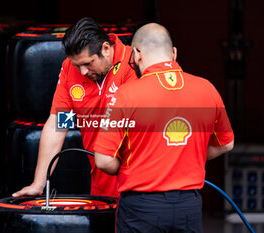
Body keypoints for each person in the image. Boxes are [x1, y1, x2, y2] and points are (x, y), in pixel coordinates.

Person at [94, 23, 234, 233]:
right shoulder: (208, 89)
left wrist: (139, 163)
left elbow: (103, 160)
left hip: (140, 207)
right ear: (174, 53)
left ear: (137, 55)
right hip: (189, 206)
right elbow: (226, 144)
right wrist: (183, 157)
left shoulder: (125, 95)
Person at [12, 17, 138, 197]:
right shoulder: (70, 70)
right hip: (101, 186)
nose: (83, 72)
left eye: (88, 63)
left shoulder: (133, 63)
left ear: (105, 48)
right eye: (77, 65)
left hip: (138, 186)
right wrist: (38, 184)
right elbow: (58, 125)